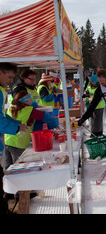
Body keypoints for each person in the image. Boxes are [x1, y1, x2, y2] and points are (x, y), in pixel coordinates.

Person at [0, 63, 28, 214]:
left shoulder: (2, 90)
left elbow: (3, 116)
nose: (11, 81)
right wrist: (17, 128)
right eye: (9, 77)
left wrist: (17, 124)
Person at [4, 90, 59, 169]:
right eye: (30, 99)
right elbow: (48, 118)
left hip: (8, 141)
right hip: (19, 144)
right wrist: (56, 122)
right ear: (26, 101)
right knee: (18, 169)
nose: (32, 101)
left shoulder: (11, 108)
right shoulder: (30, 111)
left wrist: (35, 104)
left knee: (8, 169)